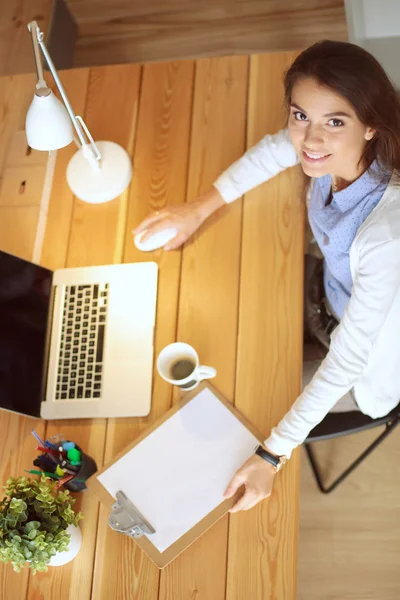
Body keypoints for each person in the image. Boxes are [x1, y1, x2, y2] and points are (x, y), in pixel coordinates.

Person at [134, 40, 400, 512]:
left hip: (365, 362)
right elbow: (276, 149)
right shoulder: (328, 154)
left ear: (370, 124)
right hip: (327, 297)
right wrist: (198, 210)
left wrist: (271, 456)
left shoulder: (387, 237)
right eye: (301, 116)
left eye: (334, 122)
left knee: (242, 408)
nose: (310, 140)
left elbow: (350, 360)